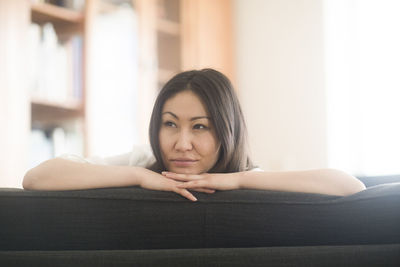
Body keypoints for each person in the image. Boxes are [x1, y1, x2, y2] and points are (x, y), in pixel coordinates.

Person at [23, 69, 366, 201]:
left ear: (226, 132)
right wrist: (139, 176)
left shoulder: (244, 178)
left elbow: (349, 187)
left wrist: (239, 181)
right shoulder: (144, 160)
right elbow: (37, 178)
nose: (181, 143)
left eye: (200, 127)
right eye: (170, 124)